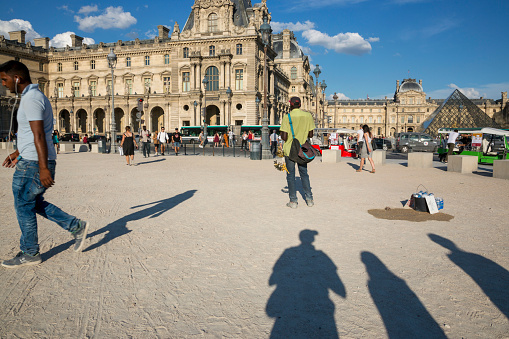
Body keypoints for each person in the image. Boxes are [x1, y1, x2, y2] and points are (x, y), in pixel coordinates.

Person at [0, 60, 89, 268]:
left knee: (23, 206)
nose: (3, 84)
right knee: (32, 203)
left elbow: (38, 134)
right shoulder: (36, 96)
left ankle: (30, 252)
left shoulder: (30, 99)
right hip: (31, 158)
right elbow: (33, 134)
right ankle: (76, 226)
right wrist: (17, 151)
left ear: (17, 78)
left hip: (33, 163)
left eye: (4, 79)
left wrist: (42, 168)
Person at [280, 96, 316, 209]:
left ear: (291, 105)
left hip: (290, 149)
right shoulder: (308, 116)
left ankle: (293, 201)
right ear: (300, 104)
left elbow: (284, 137)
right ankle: (309, 199)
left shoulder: (287, 117)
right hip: (302, 149)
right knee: (304, 174)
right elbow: (310, 135)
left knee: (290, 176)